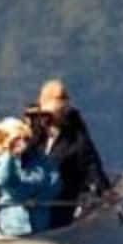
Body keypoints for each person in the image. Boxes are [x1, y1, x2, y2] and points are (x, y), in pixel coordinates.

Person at [33, 79, 108, 228]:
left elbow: (89, 160)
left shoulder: (75, 135)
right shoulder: (37, 134)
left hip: (61, 201)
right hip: (35, 202)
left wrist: (104, 189)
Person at [0, 117, 58, 237]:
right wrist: (10, 154)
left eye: (24, 138)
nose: (20, 141)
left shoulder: (41, 160)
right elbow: (2, 181)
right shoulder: (2, 159)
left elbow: (54, 184)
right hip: (12, 224)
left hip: (39, 223)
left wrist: (39, 200)